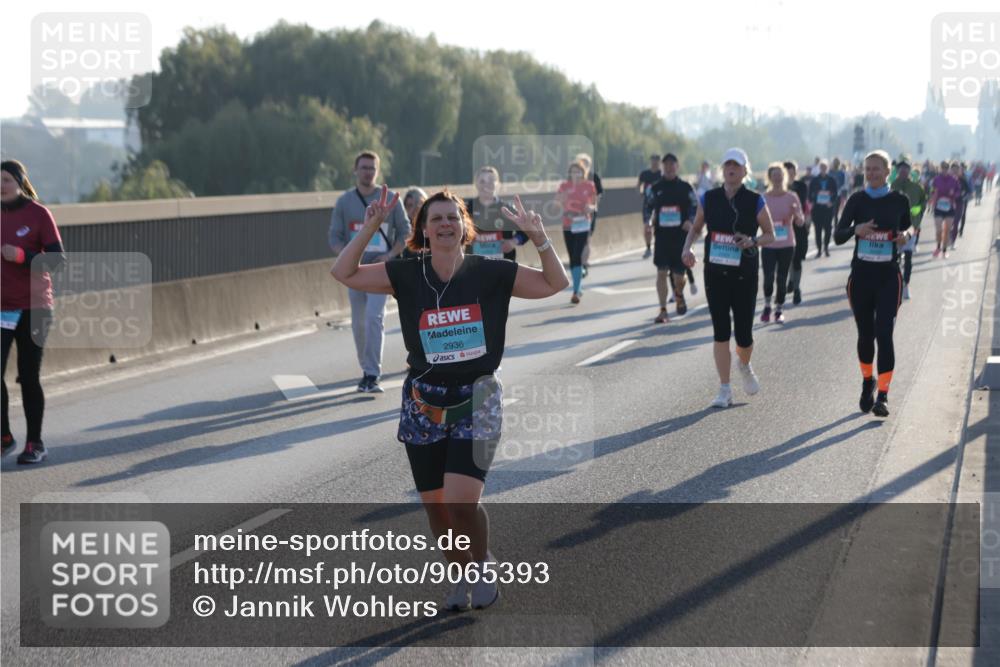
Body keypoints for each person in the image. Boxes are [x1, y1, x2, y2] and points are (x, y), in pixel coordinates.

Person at [331, 187, 568, 611]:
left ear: (465, 227)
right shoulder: (406, 273)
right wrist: (371, 227)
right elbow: (344, 272)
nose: (444, 224)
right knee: (438, 510)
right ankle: (459, 573)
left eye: (452, 218)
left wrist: (539, 237)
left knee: (462, 500)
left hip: (477, 399)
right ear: (423, 229)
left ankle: (481, 566)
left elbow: (555, 283)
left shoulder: (490, 272)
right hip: (423, 403)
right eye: (435, 218)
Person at [682, 148, 775, 408]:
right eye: (727, 165)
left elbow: (770, 235)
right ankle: (725, 389)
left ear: (745, 171)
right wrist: (687, 248)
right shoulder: (709, 198)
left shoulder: (755, 200)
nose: (731, 169)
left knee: (744, 335)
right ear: (722, 170)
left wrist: (752, 241)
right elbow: (696, 228)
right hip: (715, 273)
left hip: (744, 274)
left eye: (736, 165)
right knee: (721, 331)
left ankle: (744, 364)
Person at [834, 150, 912, 418]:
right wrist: (855, 230)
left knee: (884, 334)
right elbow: (838, 236)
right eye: (868, 169)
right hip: (861, 277)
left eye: (877, 169)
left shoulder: (899, 200)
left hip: (889, 277)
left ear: (888, 171)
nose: (871, 173)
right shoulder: (857, 200)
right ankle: (868, 381)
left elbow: (908, 228)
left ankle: (883, 396)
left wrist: (905, 235)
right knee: (866, 335)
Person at [329, 151, 411, 393]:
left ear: (378, 171)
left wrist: (390, 255)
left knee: (374, 317)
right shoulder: (345, 202)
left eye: (372, 168)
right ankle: (366, 368)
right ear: (355, 170)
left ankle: (372, 374)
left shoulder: (390, 200)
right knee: (359, 324)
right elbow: (334, 237)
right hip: (354, 271)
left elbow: (405, 232)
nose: (368, 172)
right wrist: (347, 257)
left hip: (380, 268)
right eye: (363, 167)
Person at [1, 159, 66, 465]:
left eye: (6, 179)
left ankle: (35, 443)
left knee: (28, 377)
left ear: (20, 182)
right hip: (2, 308)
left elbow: (56, 261)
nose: (1, 185)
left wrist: (22, 256)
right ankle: (4, 437)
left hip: (34, 307)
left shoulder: (39, 214)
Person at [646, 153, 698, 322]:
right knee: (661, 272)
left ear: (677, 166)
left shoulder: (685, 187)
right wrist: (648, 221)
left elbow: (695, 205)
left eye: (672, 164)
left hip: (680, 237)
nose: (669, 167)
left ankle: (679, 293)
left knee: (678, 275)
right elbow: (648, 206)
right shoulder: (655, 188)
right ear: (663, 167)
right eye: (666, 164)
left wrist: (690, 220)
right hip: (662, 236)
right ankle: (663, 310)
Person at [761, 163, 805, 323]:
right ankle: (767, 305)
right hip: (768, 243)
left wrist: (797, 216)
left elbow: (800, 220)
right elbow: (756, 219)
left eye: (780, 175)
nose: (778, 178)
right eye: (774, 175)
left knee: (781, 278)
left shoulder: (792, 197)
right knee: (768, 277)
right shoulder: (763, 198)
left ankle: (779, 309)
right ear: (769, 178)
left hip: (786, 244)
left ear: (784, 177)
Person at [463, 167, 527, 262]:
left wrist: (513, 242)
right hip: (474, 265)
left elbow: (526, 230)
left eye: (491, 181)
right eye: (482, 181)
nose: (486, 185)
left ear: (498, 184)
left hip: (504, 264)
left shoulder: (507, 209)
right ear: (476, 184)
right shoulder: (466, 209)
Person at [557, 160, 598, 304]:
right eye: (573, 171)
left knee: (577, 255)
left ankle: (575, 291)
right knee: (571, 257)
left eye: (578, 171)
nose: (576, 174)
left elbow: (594, 205)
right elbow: (557, 201)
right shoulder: (564, 186)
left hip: (583, 223)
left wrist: (590, 208)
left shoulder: (589, 185)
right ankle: (578, 286)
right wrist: (562, 197)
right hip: (568, 224)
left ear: (583, 173)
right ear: (570, 173)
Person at [890, 157, 926, 300]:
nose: (903, 171)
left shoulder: (917, 187)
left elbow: (924, 203)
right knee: (894, 258)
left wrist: (918, 211)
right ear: (898, 171)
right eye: (901, 169)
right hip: (895, 227)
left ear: (910, 171)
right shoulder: (892, 185)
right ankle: (895, 283)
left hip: (911, 227)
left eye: (906, 169)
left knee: (909, 256)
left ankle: (906, 285)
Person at [784, 160, 810, 304]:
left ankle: (796, 288)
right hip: (783, 227)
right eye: (786, 172)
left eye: (791, 172)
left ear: (795, 173)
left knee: (797, 259)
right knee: (787, 258)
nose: (789, 175)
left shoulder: (801, 186)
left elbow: (800, 202)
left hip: (798, 226)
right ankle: (791, 280)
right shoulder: (777, 187)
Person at [575, 153, 602, 276]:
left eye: (585, 163)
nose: (583, 165)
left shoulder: (593, 177)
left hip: (589, 212)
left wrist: (593, 207)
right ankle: (579, 262)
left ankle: (583, 264)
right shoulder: (573, 176)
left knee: (586, 238)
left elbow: (598, 194)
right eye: (581, 162)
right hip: (575, 214)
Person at [929, 160, 961, 259]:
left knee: (947, 230)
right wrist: (933, 194)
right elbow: (932, 190)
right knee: (939, 229)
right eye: (943, 168)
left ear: (948, 169)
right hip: (938, 207)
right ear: (940, 168)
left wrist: (953, 194)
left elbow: (958, 191)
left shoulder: (954, 180)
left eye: (946, 168)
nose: (944, 170)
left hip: (950, 207)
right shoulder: (936, 179)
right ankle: (938, 247)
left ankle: (944, 251)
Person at [808, 161, 839, 258]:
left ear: (827, 169)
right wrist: (812, 201)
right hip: (817, 209)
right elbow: (809, 193)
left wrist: (832, 202)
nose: (823, 169)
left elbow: (835, 193)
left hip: (828, 208)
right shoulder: (814, 180)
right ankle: (819, 250)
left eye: (825, 168)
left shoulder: (832, 180)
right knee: (818, 230)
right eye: (821, 168)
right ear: (819, 169)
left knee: (828, 229)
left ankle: (826, 247)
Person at [638, 154, 662, 259]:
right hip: (648, 204)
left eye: (657, 160)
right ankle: (648, 248)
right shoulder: (645, 174)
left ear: (660, 162)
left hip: (661, 205)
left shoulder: (662, 175)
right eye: (653, 160)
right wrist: (641, 192)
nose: (655, 162)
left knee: (660, 227)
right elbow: (639, 185)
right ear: (650, 161)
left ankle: (660, 246)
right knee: (647, 226)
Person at [401, 187, 428, 260]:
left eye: (417, 204)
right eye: (409, 205)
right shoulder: (402, 228)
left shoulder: (430, 226)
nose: (413, 209)